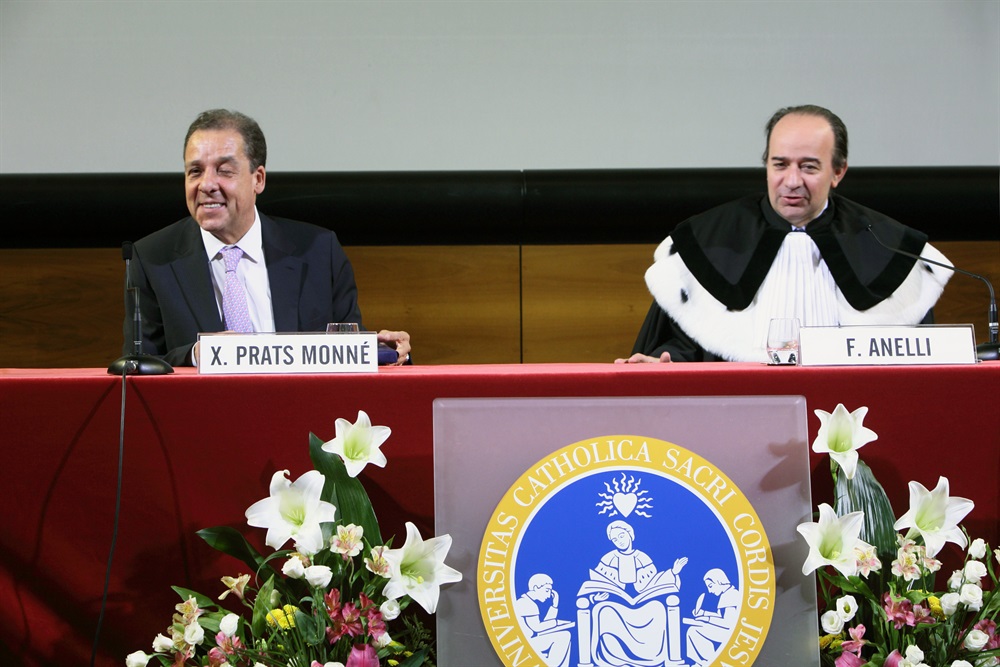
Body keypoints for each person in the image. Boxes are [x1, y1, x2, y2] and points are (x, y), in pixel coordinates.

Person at [616, 105, 952, 363]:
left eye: (808, 167)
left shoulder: (889, 249)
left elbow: (916, 365)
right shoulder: (707, 241)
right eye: (780, 165)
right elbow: (683, 347)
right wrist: (665, 363)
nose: (792, 181)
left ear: (838, 171)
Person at [124, 109, 410, 367]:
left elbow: (349, 356)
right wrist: (197, 354)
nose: (206, 184)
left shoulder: (319, 251)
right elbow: (138, 365)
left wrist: (386, 352)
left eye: (224, 171)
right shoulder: (152, 258)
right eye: (195, 171)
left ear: (258, 179)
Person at [514, 573, 573, 667]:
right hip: (523, 643)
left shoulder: (529, 602)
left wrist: (554, 605)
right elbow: (538, 628)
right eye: (547, 590)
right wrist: (556, 622)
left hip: (528, 641)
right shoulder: (526, 603)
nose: (549, 595)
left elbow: (545, 625)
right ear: (536, 588)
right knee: (564, 636)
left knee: (565, 637)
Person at [685, 569, 740, 666]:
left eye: (710, 586)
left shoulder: (730, 595)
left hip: (731, 633)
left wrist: (707, 619)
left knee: (693, 631)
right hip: (726, 630)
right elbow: (721, 616)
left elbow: (728, 623)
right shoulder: (726, 594)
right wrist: (704, 613)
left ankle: (707, 660)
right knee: (693, 630)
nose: (710, 591)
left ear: (719, 581)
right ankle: (703, 661)